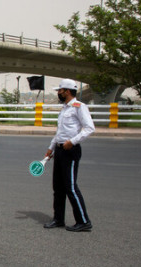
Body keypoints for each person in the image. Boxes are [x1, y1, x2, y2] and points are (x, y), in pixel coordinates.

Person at [43, 78, 95, 232]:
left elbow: (89, 128)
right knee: (58, 188)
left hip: (70, 151)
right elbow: (60, 132)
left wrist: (72, 141)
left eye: (59, 90)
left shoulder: (79, 107)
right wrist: (51, 148)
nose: (58, 93)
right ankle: (58, 219)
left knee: (70, 187)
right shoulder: (65, 108)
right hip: (59, 150)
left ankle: (84, 221)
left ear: (67, 91)